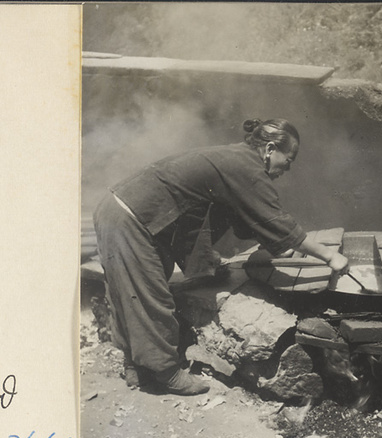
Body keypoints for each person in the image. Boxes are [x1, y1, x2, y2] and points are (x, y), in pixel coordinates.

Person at [93, 118, 349, 395]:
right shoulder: (247, 167)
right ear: (270, 149)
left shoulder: (236, 156)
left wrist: (275, 243)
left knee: (126, 292)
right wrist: (330, 257)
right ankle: (166, 373)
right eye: (287, 161)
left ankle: (136, 369)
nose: (286, 170)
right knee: (149, 296)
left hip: (118, 208)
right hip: (131, 218)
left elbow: (243, 218)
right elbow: (276, 220)